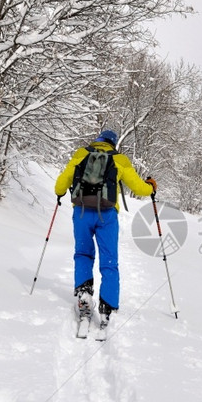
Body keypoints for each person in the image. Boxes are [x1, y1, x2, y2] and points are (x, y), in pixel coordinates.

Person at [55, 130, 157, 325]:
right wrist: (151, 186)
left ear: (98, 140)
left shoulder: (81, 154)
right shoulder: (120, 159)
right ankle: (107, 304)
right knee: (109, 259)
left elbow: (60, 185)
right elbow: (138, 188)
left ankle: (84, 293)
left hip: (82, 212)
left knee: (83, 253)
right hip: (107, 216)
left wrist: (60, 193)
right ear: (113, 143)